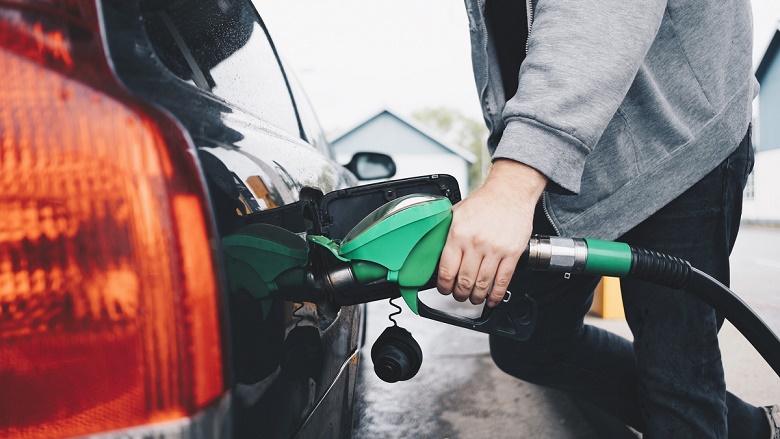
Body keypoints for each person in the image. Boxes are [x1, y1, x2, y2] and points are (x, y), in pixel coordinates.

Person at [436, 0, 779, 437]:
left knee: (677, 381)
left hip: (678, 149)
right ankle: (751, 429)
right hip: (572, 161)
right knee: (526, 340)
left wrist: (513, 182)